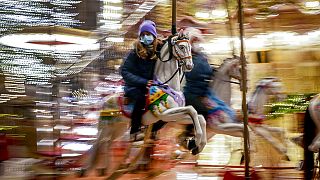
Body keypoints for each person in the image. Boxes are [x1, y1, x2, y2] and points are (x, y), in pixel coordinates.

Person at [181, 27, 236, 145]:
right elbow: (191, 72)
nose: (196, 43)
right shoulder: (186, 58)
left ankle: (212, 129)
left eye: (197, 41)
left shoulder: (202, 56)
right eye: (193, 41)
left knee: (220, 106)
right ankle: (189, 133)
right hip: (192, 92)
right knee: (201, 110)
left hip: (205, 91)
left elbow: (209, 70)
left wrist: (220, 70)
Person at [120, 20, 162, 141]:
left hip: (152, 86)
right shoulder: (134, 53)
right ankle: (134, 131)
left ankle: (154, 128)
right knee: (140, 99)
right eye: (143, 35)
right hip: (135, 86)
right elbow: (125, 71)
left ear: (153, 36)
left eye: (148, 34)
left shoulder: (158, 50)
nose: (145, 37)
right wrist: (143, 82)